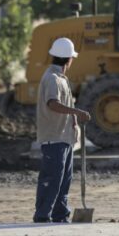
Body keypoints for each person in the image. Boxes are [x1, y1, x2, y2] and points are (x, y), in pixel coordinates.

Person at [33, 37, 91, 223]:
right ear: (69, 59)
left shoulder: (61, 79)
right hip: (54, 137)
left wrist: (73, 118)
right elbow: (53, 104)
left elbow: (63, 104)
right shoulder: (52, 79)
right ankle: (42, 215)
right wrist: (77, 111)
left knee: (64, 179)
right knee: (52, 178)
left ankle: (60, 213)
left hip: (64, 137)